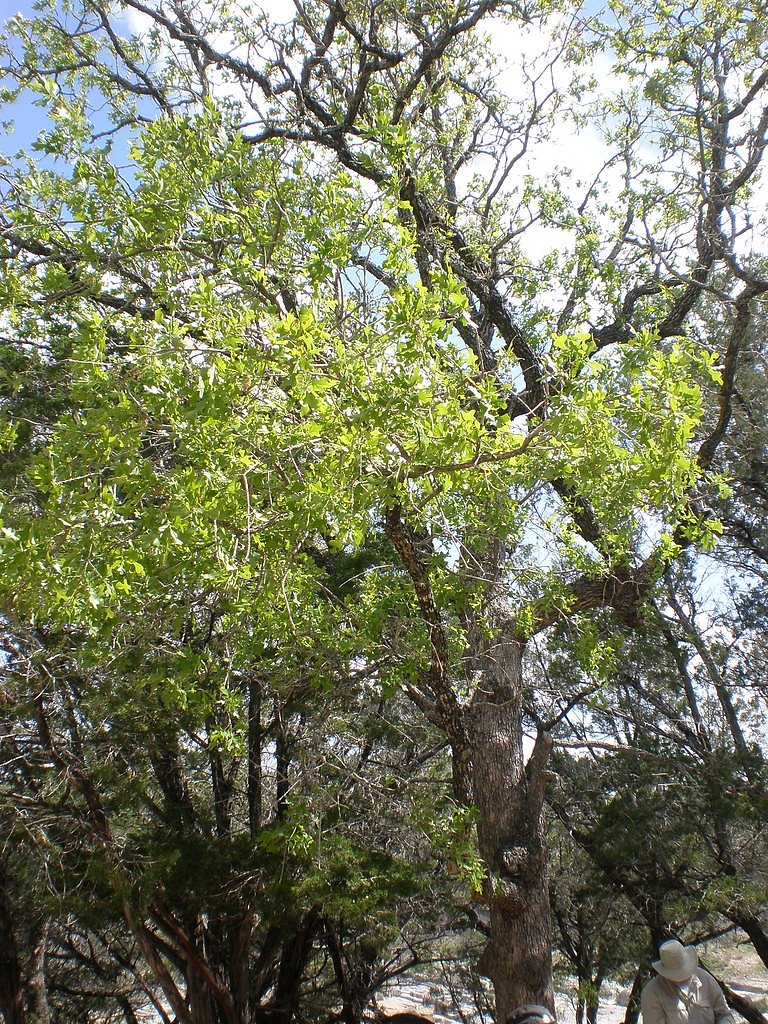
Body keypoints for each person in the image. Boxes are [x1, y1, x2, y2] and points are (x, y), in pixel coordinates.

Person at [641, 939, 735, 1024]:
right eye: (676, 976)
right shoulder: (652, 994)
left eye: (684, 973)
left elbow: (724, 1014)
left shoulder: (705, 979)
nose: (682, 978)